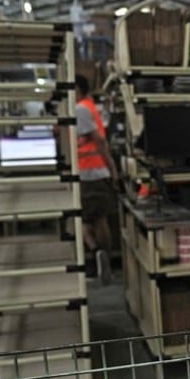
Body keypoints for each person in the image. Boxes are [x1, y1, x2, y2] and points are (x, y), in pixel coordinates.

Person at [74, 74, 119, 285]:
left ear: (77, 89)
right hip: (94, 171)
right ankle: (101, 257)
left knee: (87, 219)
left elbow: (99, 140)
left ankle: (98, 255)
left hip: (89, 173)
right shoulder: (89, 106)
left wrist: (112, 167)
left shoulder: (80, 109)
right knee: (96, 218)